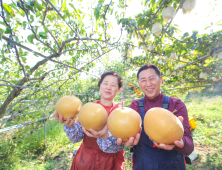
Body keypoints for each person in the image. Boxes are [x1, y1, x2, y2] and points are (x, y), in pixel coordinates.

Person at [55, 71, 141, 170]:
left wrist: (104, 136)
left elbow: (119, 144)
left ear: (118, 90)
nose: (108, 87)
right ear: (100, 85)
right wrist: (70, 126)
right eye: (105, 83)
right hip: (86, 160)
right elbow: (76, 138)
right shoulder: (89, 109)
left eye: (113, 85)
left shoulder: (122, 114)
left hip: (110, 162)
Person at [127, 64, 194, 170]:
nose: (148, 84)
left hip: (172, 164)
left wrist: (180, 144)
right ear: (139, 83)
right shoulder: (135, 107)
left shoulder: (176, 104)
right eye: (143, 80)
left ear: (160, 79)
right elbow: (127, 134)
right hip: (143, 162)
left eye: (152, 78)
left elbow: (189, 147)